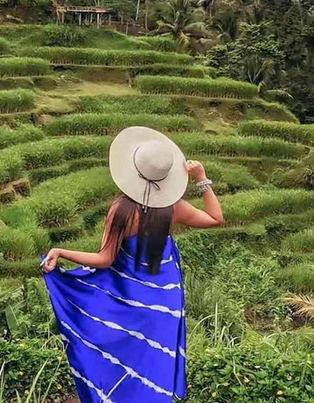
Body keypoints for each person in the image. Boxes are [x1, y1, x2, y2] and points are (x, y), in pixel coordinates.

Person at [41, 126, 224, 402]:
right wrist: (202, 179)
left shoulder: (122, 210)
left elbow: (105, 259)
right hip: (164, 301)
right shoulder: (173, 208)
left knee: (122, 356)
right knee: (154, 362)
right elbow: (215, 218)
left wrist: (61, 251)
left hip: (128, 298)